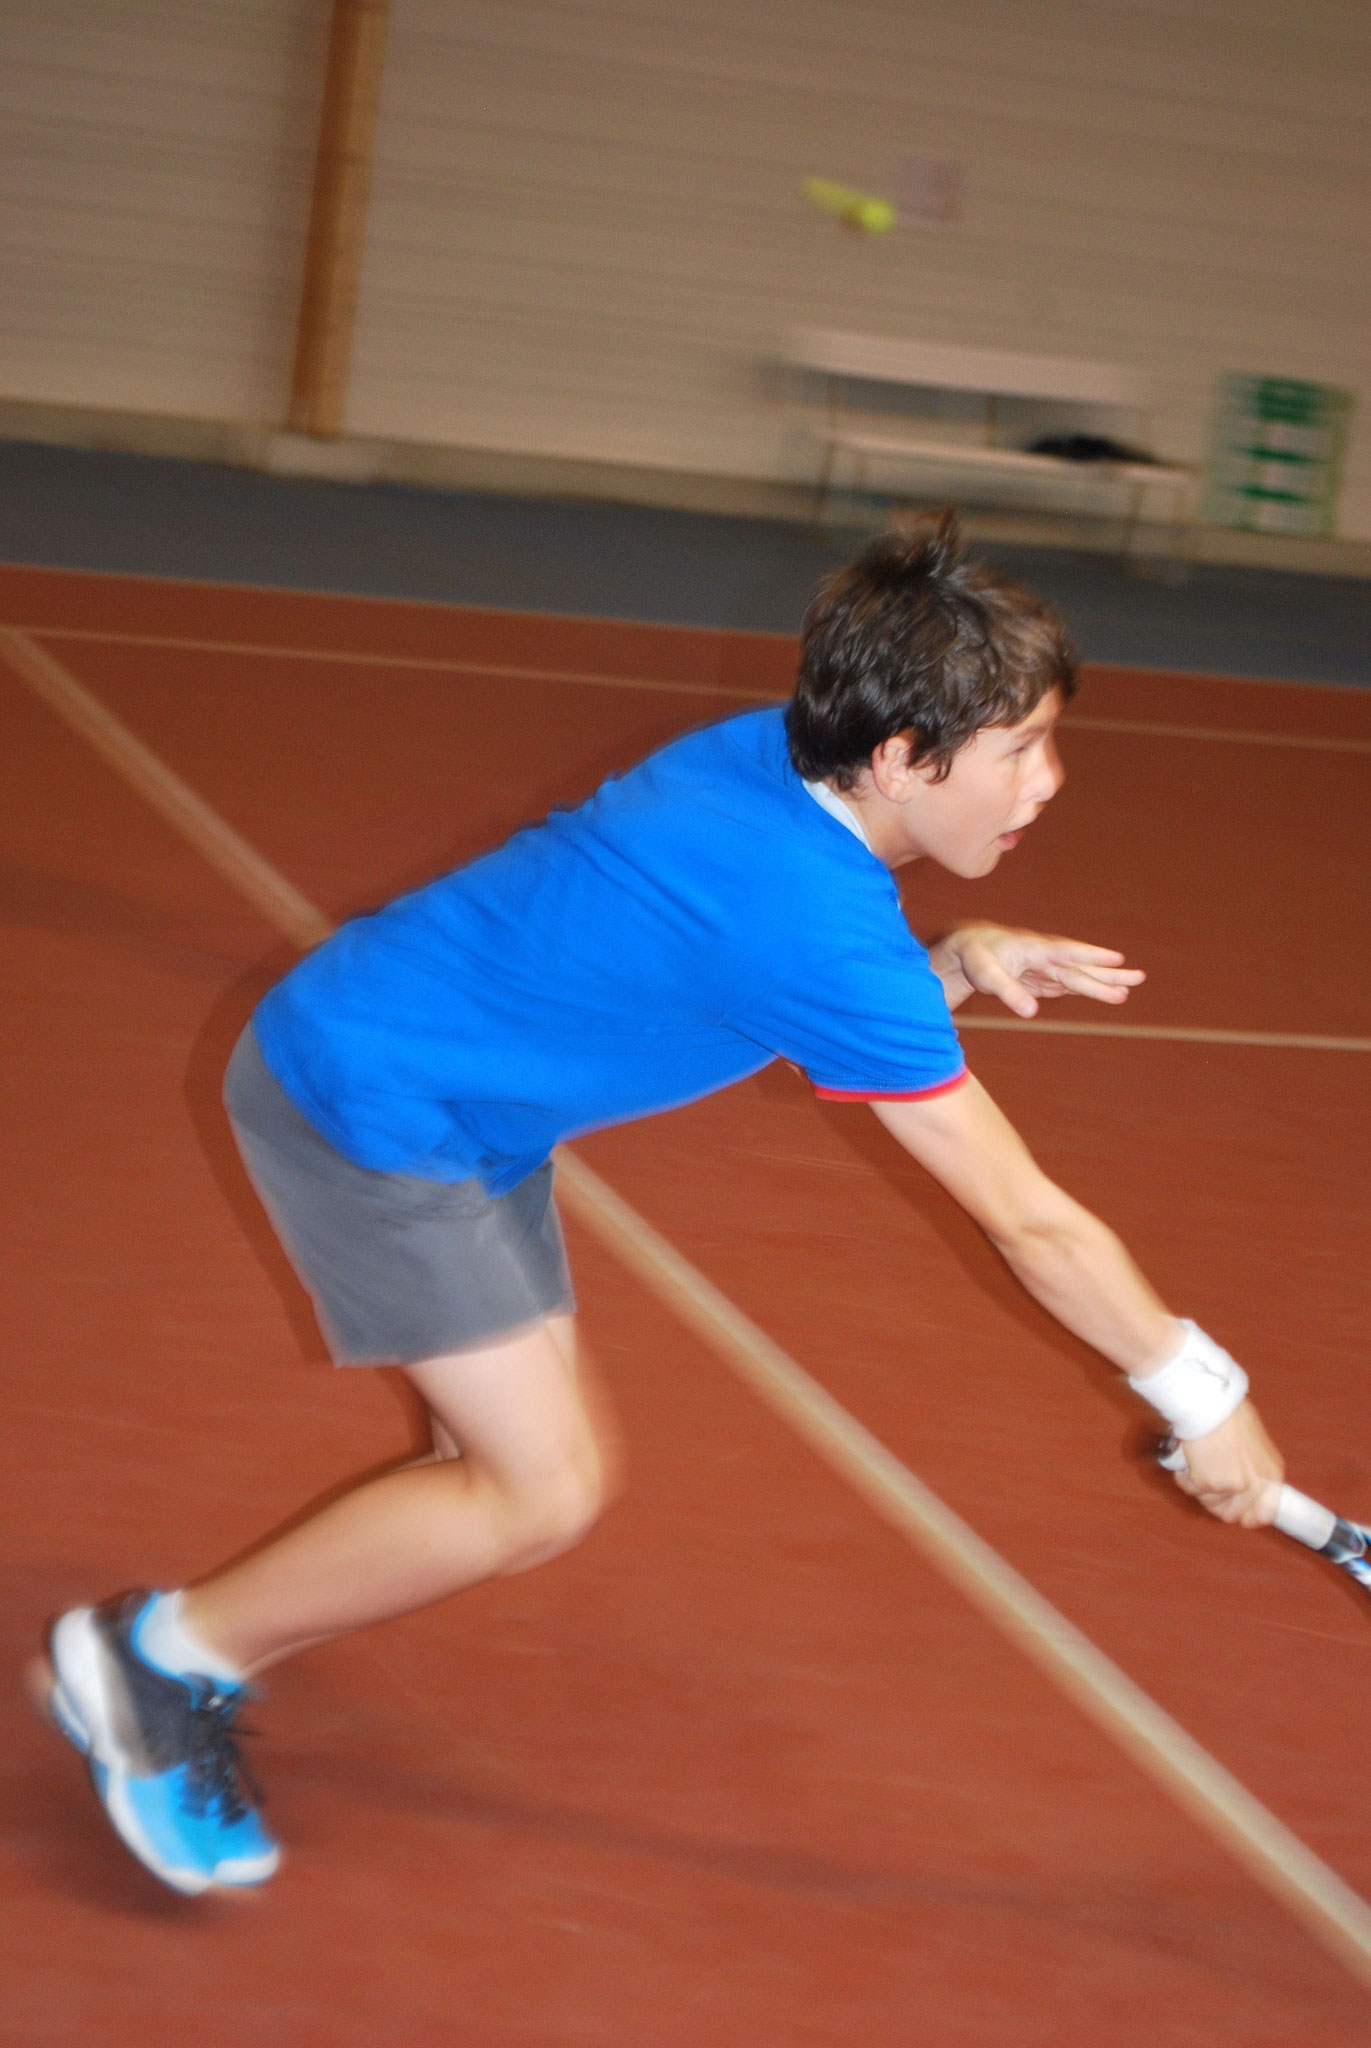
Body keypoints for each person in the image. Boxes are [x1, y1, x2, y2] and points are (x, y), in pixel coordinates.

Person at [37, 511, 1285, 1895]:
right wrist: (1202, 1396)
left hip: (449, 1088)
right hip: (374, 1107)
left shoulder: (769, 762)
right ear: (898, 756)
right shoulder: (814, 927)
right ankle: (158, 1663)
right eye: (1019, 751)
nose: (1047, 783)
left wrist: (949, 959)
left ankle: (193, 1649)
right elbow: (1030, 1220)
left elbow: (743, 964)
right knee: (538, 1490)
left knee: (517, 1473)